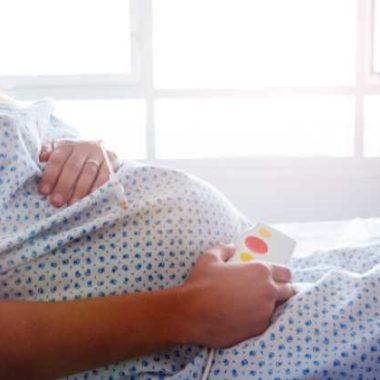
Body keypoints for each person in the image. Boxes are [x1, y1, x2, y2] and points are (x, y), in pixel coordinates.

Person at [1, 94, 380, 380]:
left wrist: (89, 153)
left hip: (244, 283)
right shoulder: (195, 319)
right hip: (202, 347)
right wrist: (191, 312)